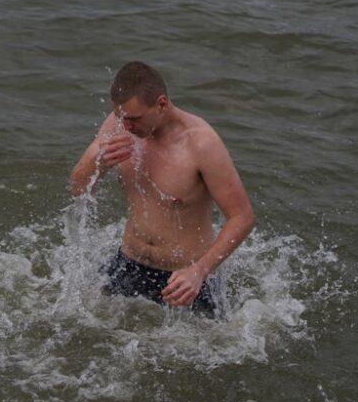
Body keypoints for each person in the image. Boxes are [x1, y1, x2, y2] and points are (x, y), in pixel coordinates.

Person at [69, 61, 255, 317]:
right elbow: (77, 187)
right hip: (128, 264)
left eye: (134, 119)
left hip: (183, 279)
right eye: (120, 117)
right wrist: (97, 161)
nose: (127, 126)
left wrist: (199, 272)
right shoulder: (119, 124)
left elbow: (242, 217)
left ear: (162, 104)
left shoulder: (200, 143)